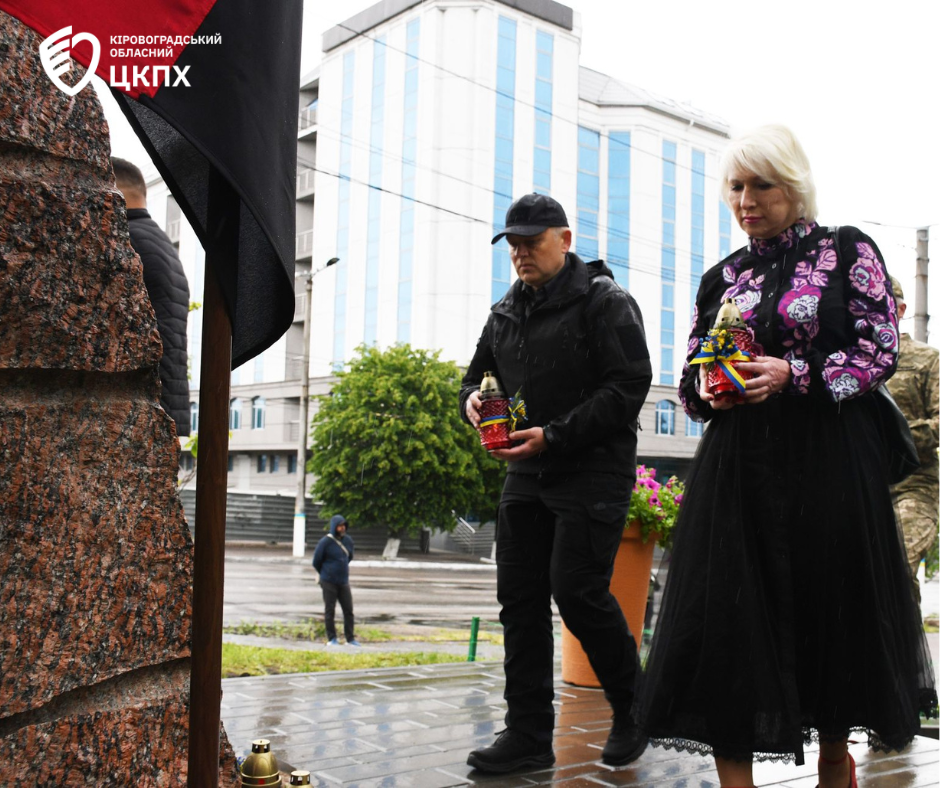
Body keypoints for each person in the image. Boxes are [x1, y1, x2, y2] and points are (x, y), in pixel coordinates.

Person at [635, 125, 937, 788]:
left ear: (794, 187)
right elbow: (689, 379)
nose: (746, 200)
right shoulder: (722, 277)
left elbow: (877, 350)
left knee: (832, 611)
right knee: (728, 620)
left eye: (761, 185)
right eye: (735, 186)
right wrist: (709, 388)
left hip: (829, 461)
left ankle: (833, 761)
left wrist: (791, 373)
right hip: (738, 468)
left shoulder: (846, 249)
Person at [459, 193, 653, 773]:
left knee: (577, 592)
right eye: (513, 245)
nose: (521, 253)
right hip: (526, 471)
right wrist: (471, 403)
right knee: (518, 601)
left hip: (591, 470)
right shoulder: (503, 311)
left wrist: (555, 435)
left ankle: (635, 708)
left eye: (531, 242)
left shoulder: (605, 301)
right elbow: (473, 379)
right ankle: (527, 735)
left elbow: (628, 387)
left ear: (564, 240)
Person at [112, 157, 191, 436]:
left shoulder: (127, 238)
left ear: (111, 188)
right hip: (163, 403)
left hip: (138, 406)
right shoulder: (160, 242)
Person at [887, 276, 939, 604]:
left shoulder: (927, 359)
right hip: (862, 484)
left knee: (896, 564)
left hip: (914, 486)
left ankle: (905, 635)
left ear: (901, 309)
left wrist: (895, 436)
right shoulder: (850, 365)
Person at [312, 515, 359, 646]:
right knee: (330, 611)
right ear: (334, 527)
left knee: (348, 611)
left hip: (343, 581)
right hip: (328, 581)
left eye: (344, 525)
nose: (342, 528)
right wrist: (326, 572)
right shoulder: (325, 542)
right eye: (339, 526)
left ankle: (350, 639)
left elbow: (349, 556)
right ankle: (332, 639)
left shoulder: (348, 540)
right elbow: (316, 561)